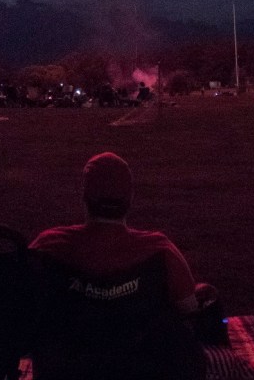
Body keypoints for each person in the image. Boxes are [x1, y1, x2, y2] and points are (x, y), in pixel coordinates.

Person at [30, 152, 216, 380]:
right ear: (129, 200)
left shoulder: (48, 246)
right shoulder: (159, 250)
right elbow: (189, 309)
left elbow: (20, 304)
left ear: (85, 196)